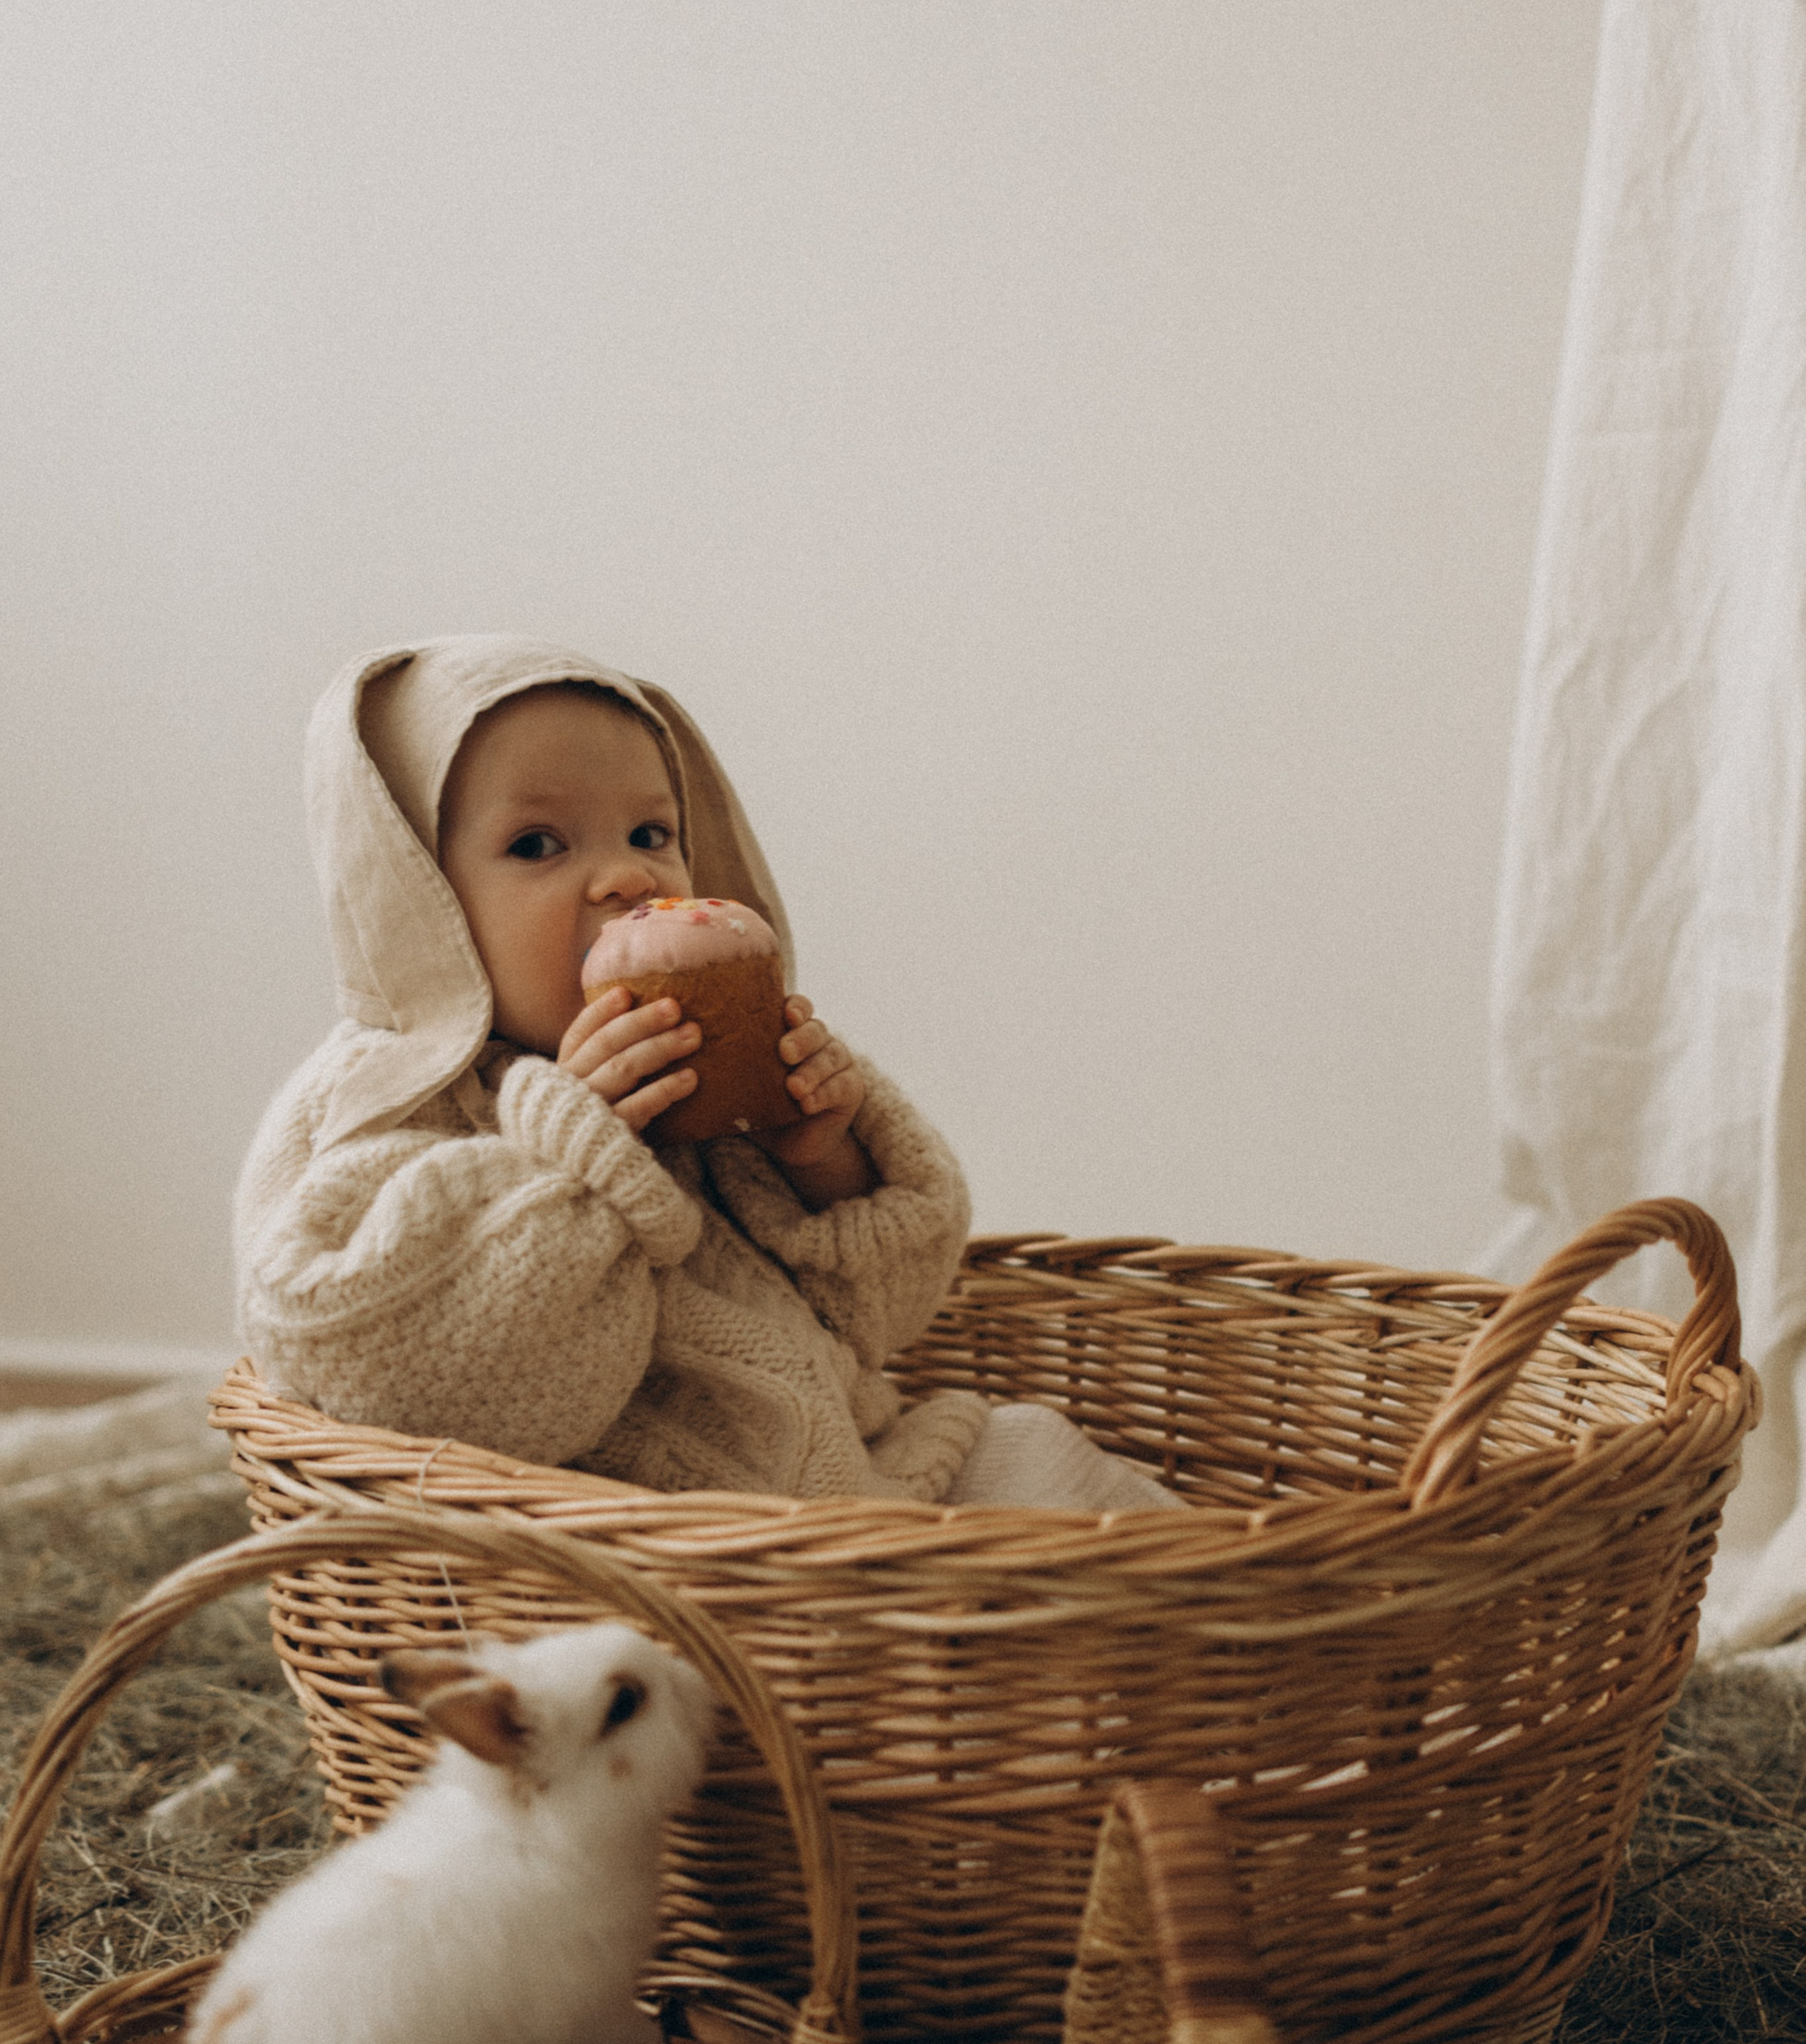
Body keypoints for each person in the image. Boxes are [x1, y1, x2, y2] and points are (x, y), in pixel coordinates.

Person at [236, 634, 1179, 1512]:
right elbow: (392, 1370)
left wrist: (820, 1160)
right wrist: (579, 1156)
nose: (629, 880)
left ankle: (1248, 1637)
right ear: (415, 892)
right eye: (539, 845)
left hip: (861, 1483)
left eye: (652, 834)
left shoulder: (711, 1066)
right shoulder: (388, 1101)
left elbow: (881, 1316)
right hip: (626, 1547)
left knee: (1038, 1454)